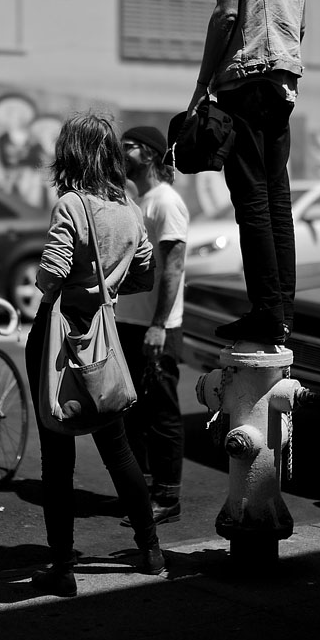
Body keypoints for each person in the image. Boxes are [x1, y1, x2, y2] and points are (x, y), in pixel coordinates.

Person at [25, 112, 165, 597]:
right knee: (118, 447)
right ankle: (150, 550)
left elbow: (51, 273)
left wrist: (52, 289)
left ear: (71, 155)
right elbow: (145, 272)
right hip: (104, 339)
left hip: (57, 338)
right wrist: (107, 286)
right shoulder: (128, 207)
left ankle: (62, 569)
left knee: (56, 455)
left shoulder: (71, 203)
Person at [187, 0, 309, 345]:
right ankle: (283, 310)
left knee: (251, 201)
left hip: (246, 80)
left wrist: (202, 84)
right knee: (277, 200)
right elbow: (299, 23)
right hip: (283, 84)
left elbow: (226, 15)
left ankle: (265, 310)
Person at [116, 126, 189, 527]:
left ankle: (168, 497)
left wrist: (159, 325)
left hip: (156, 326)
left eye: (126, 147)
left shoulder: (166, 202)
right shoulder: (140, 200)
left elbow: (173, 269)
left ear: (147, 154)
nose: (120, 152)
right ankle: (143, 491)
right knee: (133, 413)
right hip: (131, 321)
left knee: (162, 415)